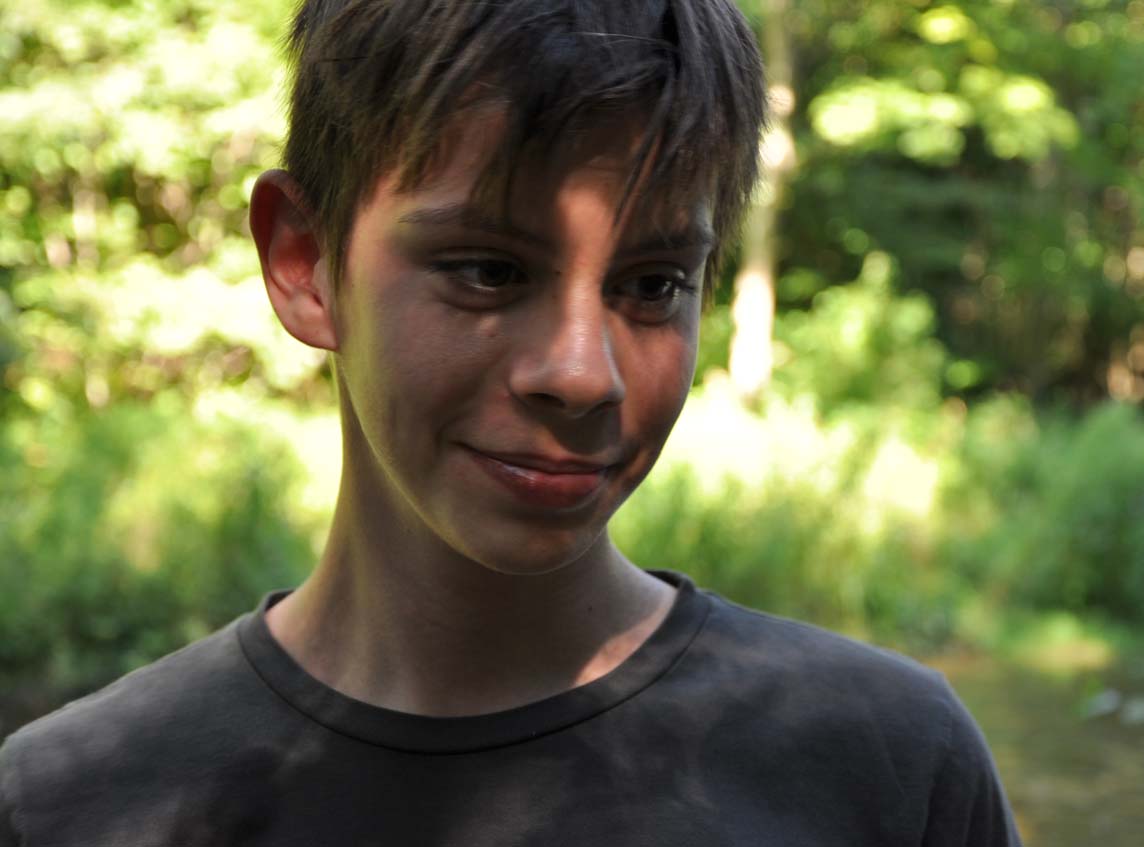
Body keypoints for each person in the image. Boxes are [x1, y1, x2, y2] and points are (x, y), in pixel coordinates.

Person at [0, 1, 1022, 844]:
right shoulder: (62, 803)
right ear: (306, 263)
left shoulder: (888, 766)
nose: (580, 374)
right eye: (488, 270)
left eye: (653, 283)